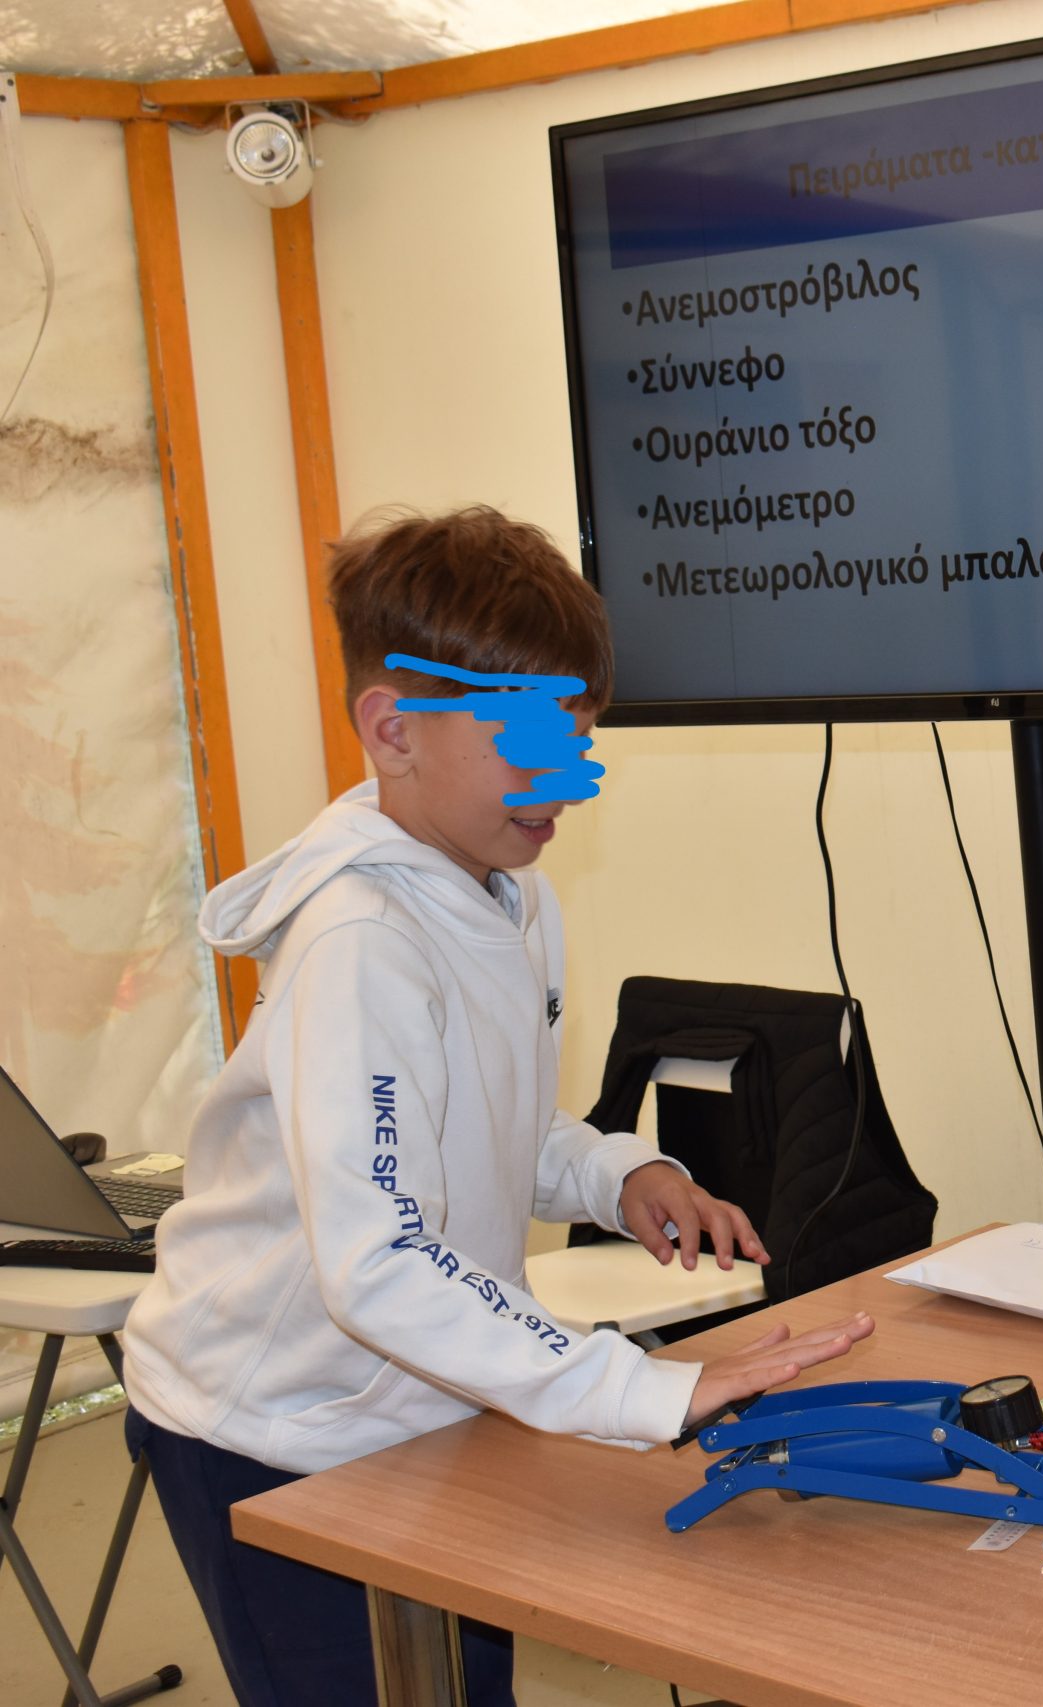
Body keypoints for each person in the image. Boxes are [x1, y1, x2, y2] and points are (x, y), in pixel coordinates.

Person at [120, 508, 872, 1706]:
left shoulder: (511, 896)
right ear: (394, 730)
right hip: (268, 1433)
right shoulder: (360, 942)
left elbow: (485, 1125)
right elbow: (378, 1260)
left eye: (583, 738)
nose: (570, 781)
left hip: (423, 1406)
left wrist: (615, 1174)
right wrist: (640, 1388)